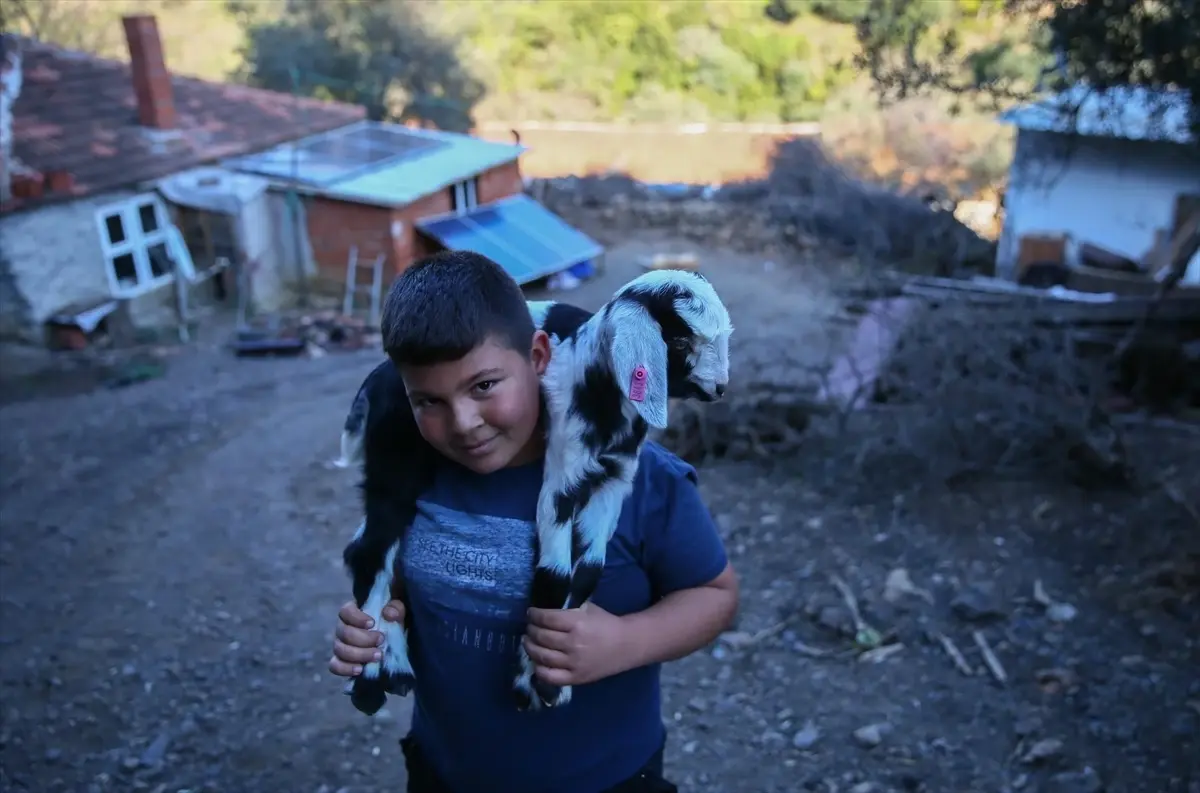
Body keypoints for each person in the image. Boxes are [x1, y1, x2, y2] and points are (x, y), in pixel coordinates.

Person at [328, 250, 738, 793]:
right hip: (445, 774)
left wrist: (626, 642)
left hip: (608, 779)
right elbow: (403, 585)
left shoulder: (640, 483)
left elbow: (714, 593)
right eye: (428, 400)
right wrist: (379, 625)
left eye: (484, 386)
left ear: (539, 356)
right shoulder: (418, 474)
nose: (463, 423)